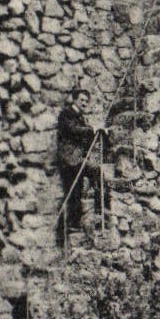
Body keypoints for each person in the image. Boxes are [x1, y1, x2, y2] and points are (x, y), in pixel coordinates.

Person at [56, 96, 109, 241]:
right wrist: (92, 128)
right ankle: (73, 224)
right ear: (74, 100)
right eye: (82, 100)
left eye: (86, 101)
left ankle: (100, 207)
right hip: (70, 159)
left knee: (80, 187)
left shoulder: (80, 118)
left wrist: (99, 132)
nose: (84, 103)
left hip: (78, 158)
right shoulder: (66, 114)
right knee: (74, 190)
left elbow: (84, 137)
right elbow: (73, 130)